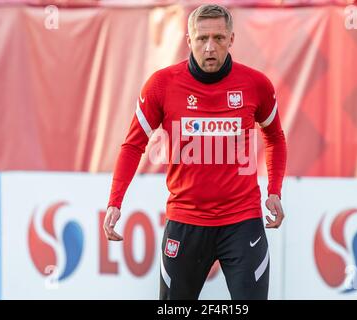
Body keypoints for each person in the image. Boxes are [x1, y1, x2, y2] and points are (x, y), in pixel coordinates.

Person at [104, 4, 287, 300]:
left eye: (218, 38)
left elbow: (275, 137)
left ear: (231, 39)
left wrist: (274, 190)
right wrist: (115, 202)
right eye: (202, 39)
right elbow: (132, 145)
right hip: (186, 222)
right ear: (189, 41)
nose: (210, 47)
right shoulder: (162, 85)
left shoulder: (256, 85)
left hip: (242, 222)